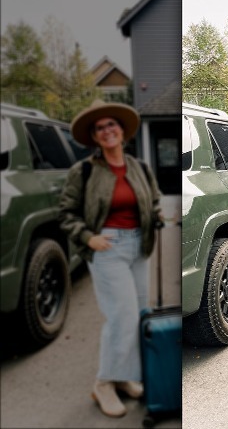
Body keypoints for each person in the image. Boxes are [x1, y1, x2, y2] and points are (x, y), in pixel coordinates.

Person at [58, 99, 162, 417]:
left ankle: (124, 377)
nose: (106, 131)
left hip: (138, 247)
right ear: (94, 136)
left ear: (122, 130)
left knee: (139, 313)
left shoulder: (138, 167)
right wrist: (88, 237)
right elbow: (66, 212)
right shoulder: (85, 170)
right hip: (108, 248)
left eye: (111, 124)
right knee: (122, 317)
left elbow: (153, 200)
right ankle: (104, 382)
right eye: (99, 128)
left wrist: (154, 218)